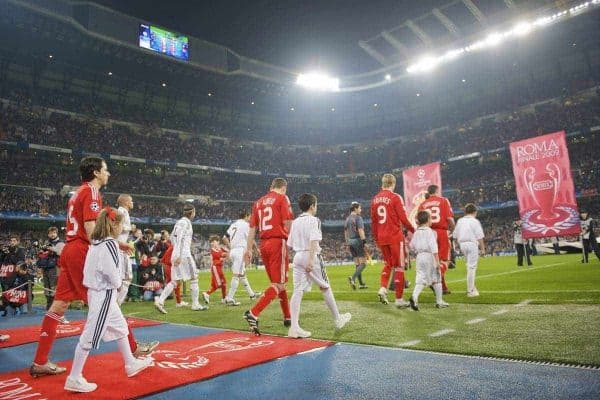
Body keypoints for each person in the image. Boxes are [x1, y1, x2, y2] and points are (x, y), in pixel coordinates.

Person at [30, 157, 157, 378]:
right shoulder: (92, 192)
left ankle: (40, 360)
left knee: (58, 306)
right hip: (81, 251)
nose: (108, 174)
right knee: (106, 302)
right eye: (106, 170)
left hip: (70, 250)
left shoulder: (78, 192)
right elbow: (92, 233)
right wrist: (114, 244)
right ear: (97, 172)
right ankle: (132, 350)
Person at [64, 207, 153, 393]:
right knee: (89, 336)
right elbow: (112, 273)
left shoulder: (97, 242)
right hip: (103, 293)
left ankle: (130, 363)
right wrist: (119, 283)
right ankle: (74, 377)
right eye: (121, 224)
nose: (123, 228)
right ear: (114, 224)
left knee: (120, 327)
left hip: (99, 292)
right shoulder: (110, 243)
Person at [287, 193, 351, 338]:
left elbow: (289, 244)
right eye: (316, 205)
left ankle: (294, 327)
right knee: (325, 286)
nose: (316, 207)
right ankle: (337, 319)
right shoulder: (314, 220)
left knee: (297, 291)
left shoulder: (295, 222)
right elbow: (314, 241)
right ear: (312, 206)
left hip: (297, 256)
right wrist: (310, 260)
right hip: (311, 256)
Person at [243, 178, 294, 336]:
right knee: (278, 284)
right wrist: (294, 240)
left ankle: (287, 317)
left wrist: (249, 249)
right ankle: (253, 312)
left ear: (271, 187)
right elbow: (288, 222)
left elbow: (252, 228)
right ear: (283, 188)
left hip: (264, 243)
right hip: (278, 242)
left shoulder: (258, 202)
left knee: (279, 283)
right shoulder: (282, 198)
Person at [370, 173, 415, 308]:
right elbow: (403, 218)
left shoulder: (375, 199)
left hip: (382, 237)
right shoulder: (395, 197)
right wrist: (413, 230)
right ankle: (399, 300)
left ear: (382, 183)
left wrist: (377, 239)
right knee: (399, 267)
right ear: (393, 184)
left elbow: (373, 222)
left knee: (388, 264)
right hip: (395, 236)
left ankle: (383, 288)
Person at [154, 203, 207, 313]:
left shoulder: (179, 222)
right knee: (194, 277)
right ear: (192, 213)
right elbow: (180, 239)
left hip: (177, 254)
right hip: (183, 254)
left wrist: (176, 253)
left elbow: (173, 238)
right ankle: (195, 304)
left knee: (175, 281)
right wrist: (178, 254)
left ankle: (160, 301)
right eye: (194, 212)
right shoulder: (186, 223)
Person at [408, 210, 449, 311]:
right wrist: (437, 261)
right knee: (437, 277)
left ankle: (414, 297)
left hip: (419, 257)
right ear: (427, 220)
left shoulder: (417, 232)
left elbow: (411, 246)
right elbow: (433, 247)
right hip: (429, 256)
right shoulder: (429, 231)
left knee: (420, 279)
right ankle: (439, 302)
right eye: (430, 218)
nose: (431, 220)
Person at [418, 185, 455, 294]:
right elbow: (450, 219)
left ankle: (443, 288)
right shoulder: (443, 201)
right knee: (445, 261)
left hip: (428, 233)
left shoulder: (422, 204)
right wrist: (453, 231)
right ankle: (433, 280)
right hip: (441, 232)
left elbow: (418, 221)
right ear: (437, 191)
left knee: (436, 262)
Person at [222, 210, 259, 305]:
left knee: (242, 274)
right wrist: (256, 249)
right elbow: (251, 238)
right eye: (250, 216)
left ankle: (251, 294)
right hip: (240, 251)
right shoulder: (246, 225)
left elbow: (224, 238)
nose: (251, 218)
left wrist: (231, 247)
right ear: (246, 216)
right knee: (236, 275)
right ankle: (229, 298)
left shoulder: (234, 224)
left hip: (234, 251)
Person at [453, 204, 485, 297]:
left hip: (462, 245)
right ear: (474, 212)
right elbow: (480, 236)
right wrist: (482, 249)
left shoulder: (460, 221)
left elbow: (455, 235)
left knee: (469, 266)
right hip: (472, 244)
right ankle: (470, 291)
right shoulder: (475, 221)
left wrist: (458, 245)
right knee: (471, 268)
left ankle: (472, 288)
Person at [36, 227, 64, 310]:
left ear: (57, 233)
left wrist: (51, 248)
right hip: (46, 266)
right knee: (46, 286)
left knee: (53, 286)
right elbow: (42, 254)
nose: (52, 234)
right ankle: (49, 303)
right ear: (48, 234)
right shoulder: (47, 242)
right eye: (51, 233)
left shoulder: (60, 242)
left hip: (55, 267)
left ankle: (53, 305)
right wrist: (41, 251)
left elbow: (61, 252)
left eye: (54, 233)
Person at [345, 202, 368, 290]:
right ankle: (352, 278)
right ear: (355, 209)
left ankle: (361, 284)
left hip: (350, 241)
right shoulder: (358, 218)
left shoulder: (347, 219)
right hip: (358, 240)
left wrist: (347, 243)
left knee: (357, 263)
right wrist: (364, 242)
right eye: (360, 208)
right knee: (363, 263)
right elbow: (360, 230)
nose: (361, 210)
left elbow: (346, 232)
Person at [116, 194, 134, 305]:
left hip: (120, 248)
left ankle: (114, 307)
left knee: (122, 280)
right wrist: (129, 228)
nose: (132, 203)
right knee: (126, 279)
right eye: (131, 201)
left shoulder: (122, 212)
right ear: (126, 202)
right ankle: (116, 306)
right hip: (120, 250)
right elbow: (117, 227)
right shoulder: (122, 212)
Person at [202, 235, 229, 305]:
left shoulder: (219, 249)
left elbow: (226, 253)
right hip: (215, 268)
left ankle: (223, 298)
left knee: (222, 284)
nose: (214, 243)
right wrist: (224, 257)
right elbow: (221, 256)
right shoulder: (213, 251)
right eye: (212, 242)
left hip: (219, 268)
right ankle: (207, 293)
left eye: (215, 241)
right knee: (219, 284)